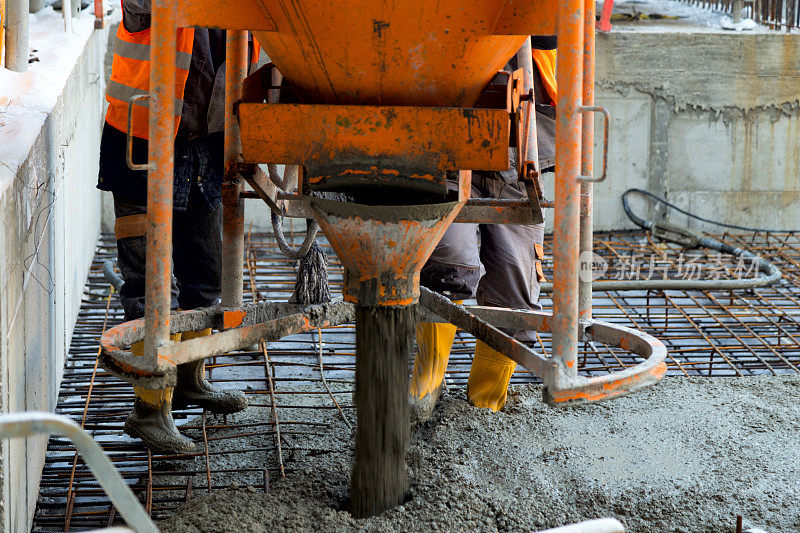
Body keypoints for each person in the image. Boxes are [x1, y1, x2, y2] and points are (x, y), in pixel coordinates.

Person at [98, 1, 258, 453]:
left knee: (203, 274)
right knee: (150, 284)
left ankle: (190, 378)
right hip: (142, 138)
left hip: (204, 144)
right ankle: (151, 410)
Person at [409, 37, 558, 419]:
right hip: (448, 143)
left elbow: (552, 32)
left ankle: (485, 409)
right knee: (446, 269)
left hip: (520, 149)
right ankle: (424, 393)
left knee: (514, 292)